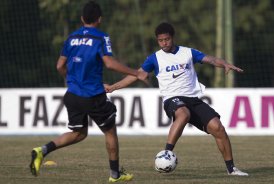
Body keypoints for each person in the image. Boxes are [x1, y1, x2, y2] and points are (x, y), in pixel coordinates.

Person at [105, 22, 248, 176]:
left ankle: (231, 169)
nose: (164, 43)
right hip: (172, 99)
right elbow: (136, 76)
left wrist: (224, 63)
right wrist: (113, 87)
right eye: (160, 40)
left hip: (193, 99)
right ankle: (166, 153)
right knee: (183, 114)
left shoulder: (188, 52)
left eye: (166, 39)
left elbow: (211, 60)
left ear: (172, 38)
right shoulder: (154, 59)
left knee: (218, 128)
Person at [29, 1, 146, 182]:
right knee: (110, 132)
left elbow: (59, 65)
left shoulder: (71, 38)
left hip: (73, 95)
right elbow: (109, 63)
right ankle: (115, 175)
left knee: (79, 133)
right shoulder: (101, 37)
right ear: (100, 19)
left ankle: (42, 150)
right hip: (93, 96)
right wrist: (136, 73)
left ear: (82, 18)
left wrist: (73, 80)